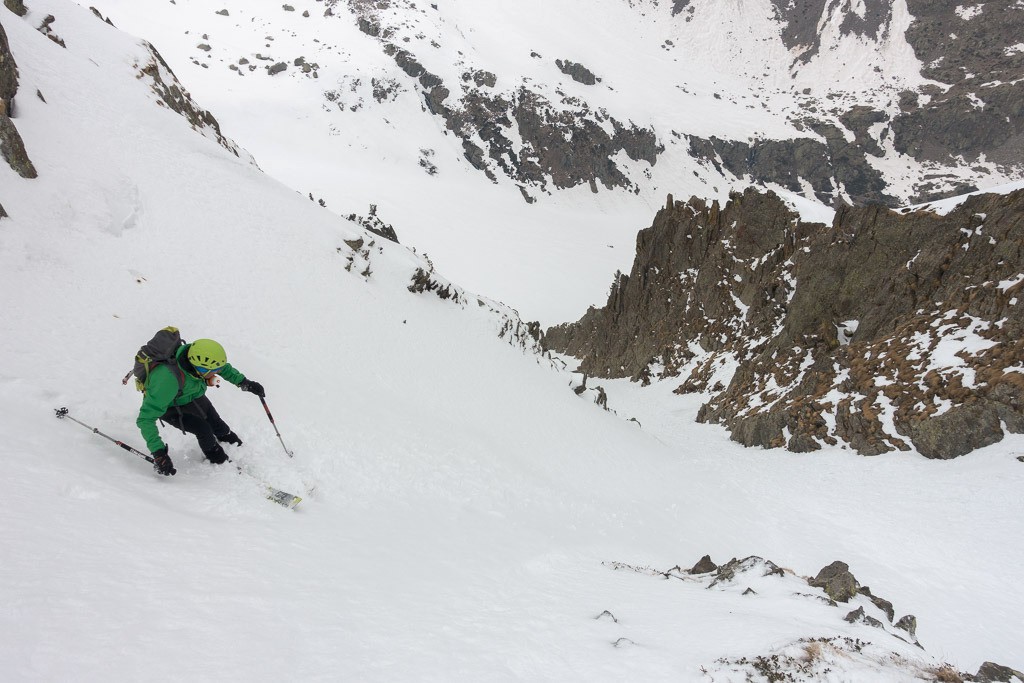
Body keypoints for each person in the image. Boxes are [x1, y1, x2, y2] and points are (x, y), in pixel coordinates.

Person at [136, 338, 265, 476]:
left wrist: (245, 383)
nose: (216, 373)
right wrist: (159, 453)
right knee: (203, 429)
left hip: (190, 393)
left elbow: (224, 368)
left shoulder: (197, 359)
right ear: (201, 368)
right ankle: (218, 459)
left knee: (216, 422)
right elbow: (145, 419)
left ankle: (230, 440)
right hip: (170, 406)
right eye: (213, 371)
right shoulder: (166, 381)